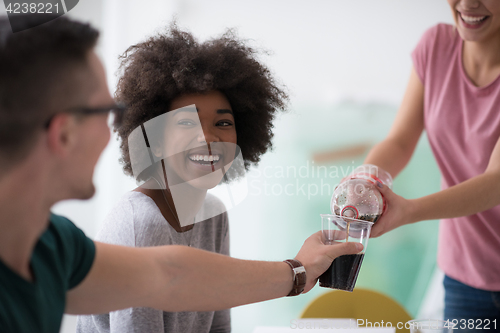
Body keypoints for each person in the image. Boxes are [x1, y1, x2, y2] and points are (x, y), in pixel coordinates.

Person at [0, 13, 363, 333]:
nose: (114, 128)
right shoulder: (129, 223)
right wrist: (297, 271)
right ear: (64, 133)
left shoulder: (54, 246)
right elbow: (167, 278)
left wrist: (299, 270)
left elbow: (169, 276)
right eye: (107, 111)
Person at [76, 26, 288, 333]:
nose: (209, 137)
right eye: (187, 121)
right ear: (156, 139)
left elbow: (218, 326)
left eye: (223, 122)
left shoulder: (214, 216)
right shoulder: (142, 223)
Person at [363, 0, 500, 324]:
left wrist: (407, 211)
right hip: (465, 276)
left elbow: (497, 182)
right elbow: (400, 140)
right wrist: (366, 179)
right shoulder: (436, 46)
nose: (467, 4)